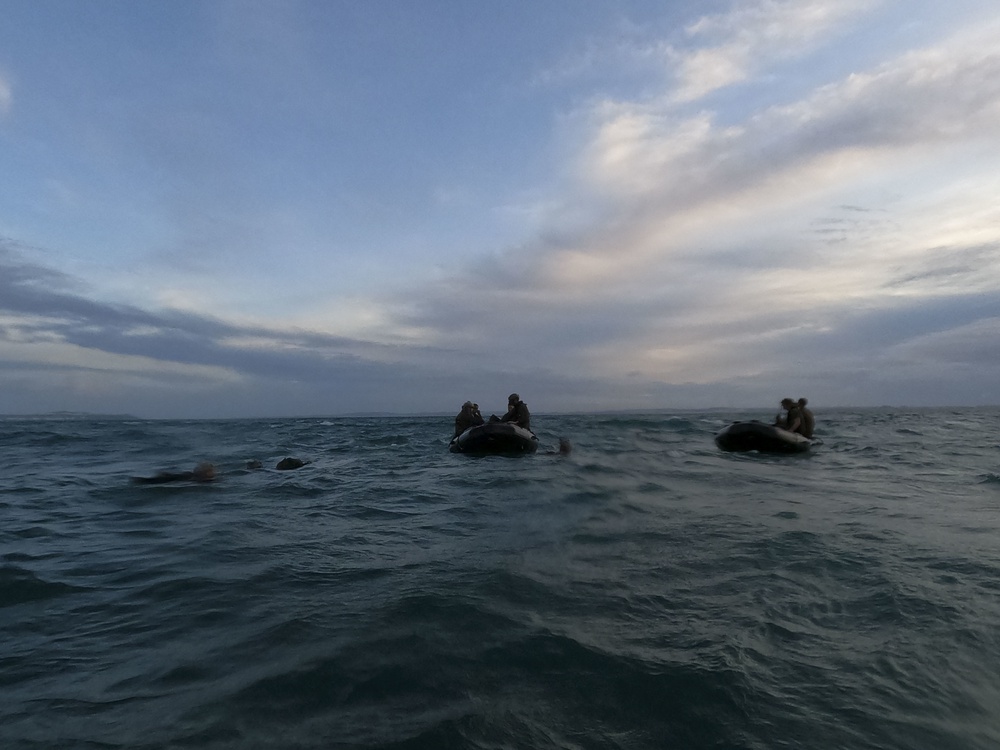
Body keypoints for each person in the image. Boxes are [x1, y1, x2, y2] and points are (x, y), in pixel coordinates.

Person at [132, 461, 216, 484]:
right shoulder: (198, 479)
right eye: (210, 471)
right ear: (204, 472)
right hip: (174, 480)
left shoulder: (190, 475)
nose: (213, 472)